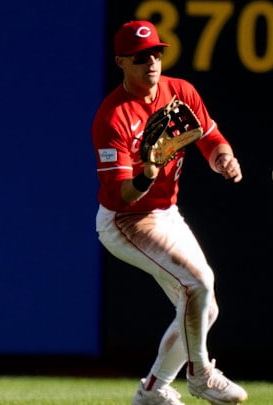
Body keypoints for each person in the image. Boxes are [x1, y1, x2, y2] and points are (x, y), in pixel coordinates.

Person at [91, 20, 248, 405]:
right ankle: (201, 375)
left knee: (204, 308)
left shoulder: (180, 92)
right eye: (141, 57)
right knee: (199, 282)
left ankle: (154, 391)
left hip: (166, 213)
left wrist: (223, 158)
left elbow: (210, 138)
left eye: (156, 54)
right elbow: (121, 194)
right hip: (125, 220)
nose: (152, 63)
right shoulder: (112, 117)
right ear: (121, 62)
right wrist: (147, 173)